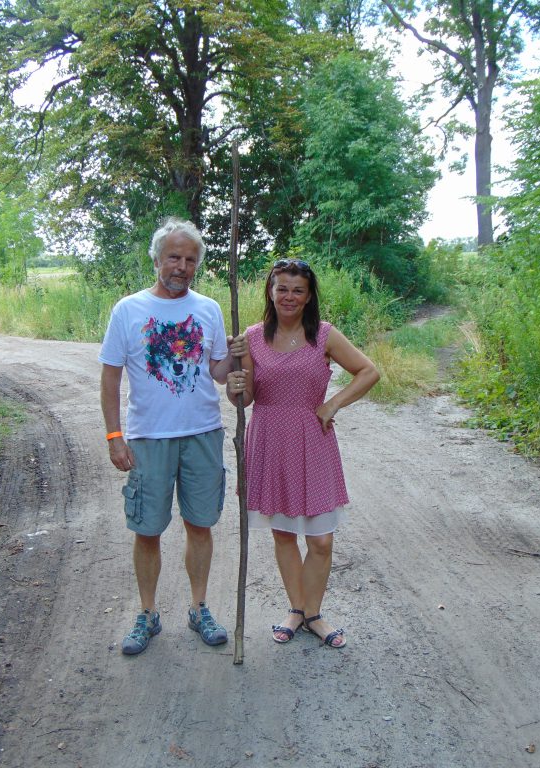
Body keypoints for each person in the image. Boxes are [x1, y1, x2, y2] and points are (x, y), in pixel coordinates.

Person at [99, 218, 246, 656]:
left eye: (190, 259)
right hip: (149, 438)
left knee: (200, 525)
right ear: (157, 260)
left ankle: (199, 608)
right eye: (174, 257)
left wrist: (235, 358)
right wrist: (114, 435)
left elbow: (217, 373)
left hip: (203, 433)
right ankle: (147, 613)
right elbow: (110, 380)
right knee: (147, 529)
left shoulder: (209, 309)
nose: (182, 266)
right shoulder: (128, 310)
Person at [226, 258, 379, 648]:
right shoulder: (253, 337)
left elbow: (369, 371)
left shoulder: (324, 335)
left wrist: (333, 404)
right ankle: (297, 610)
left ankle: (314, 613)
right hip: (270, 439)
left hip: (313, 440)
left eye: (298, 290)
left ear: (309, 296)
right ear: (270, 291)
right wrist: (235, 375)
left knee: (321, 539)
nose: (289, 297)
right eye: (282, 288)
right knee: (283, 533)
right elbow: (245, 399)